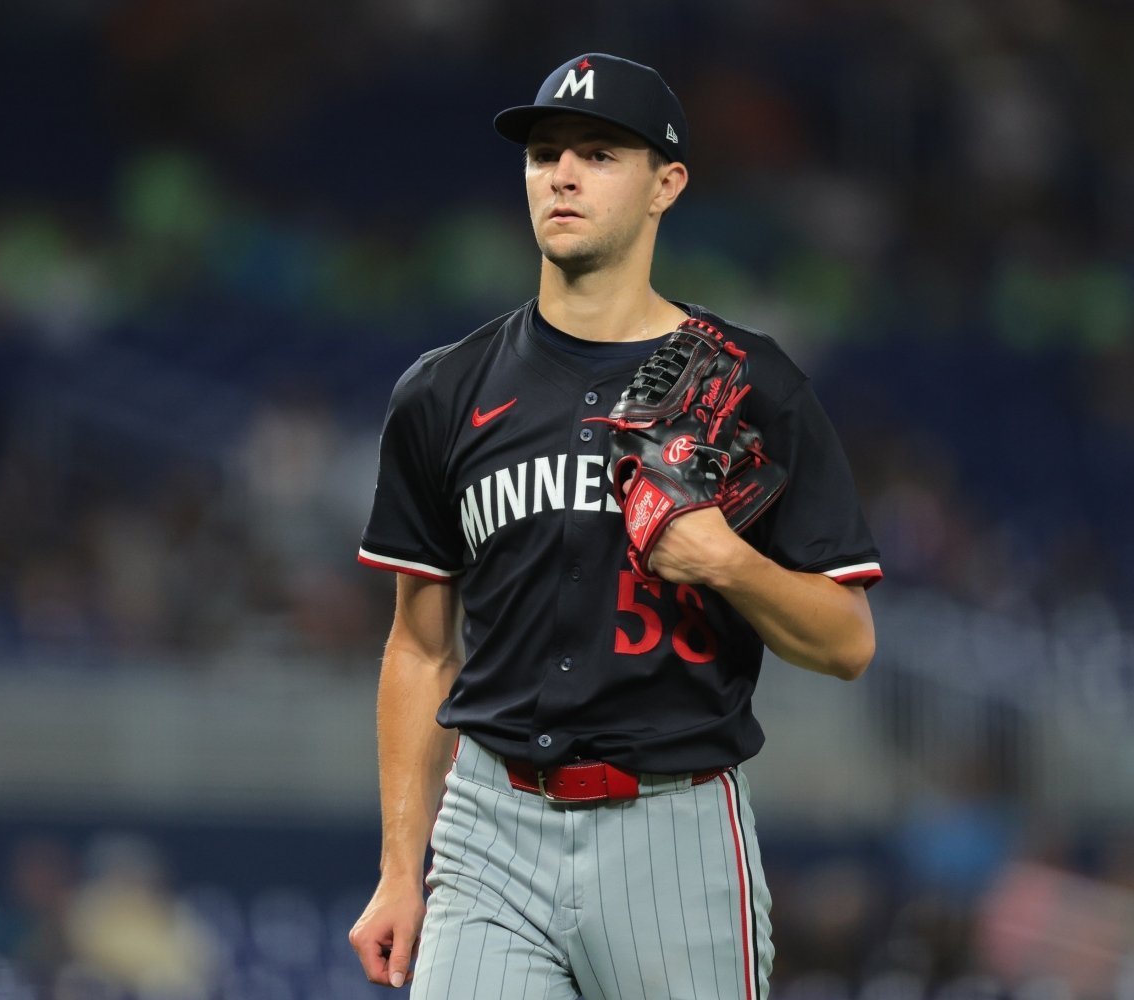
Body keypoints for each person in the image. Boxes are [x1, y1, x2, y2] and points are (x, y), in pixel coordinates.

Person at [349, 53, 882, 1000]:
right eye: (544, 153)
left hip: (672, 831)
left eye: (598, 154)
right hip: (488, 827)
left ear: (665, 185)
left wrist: (727, 562)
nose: (562, 174)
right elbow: (421, 647)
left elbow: (847, 643)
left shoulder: (750, 387)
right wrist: (400, 867)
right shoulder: (443, 391)